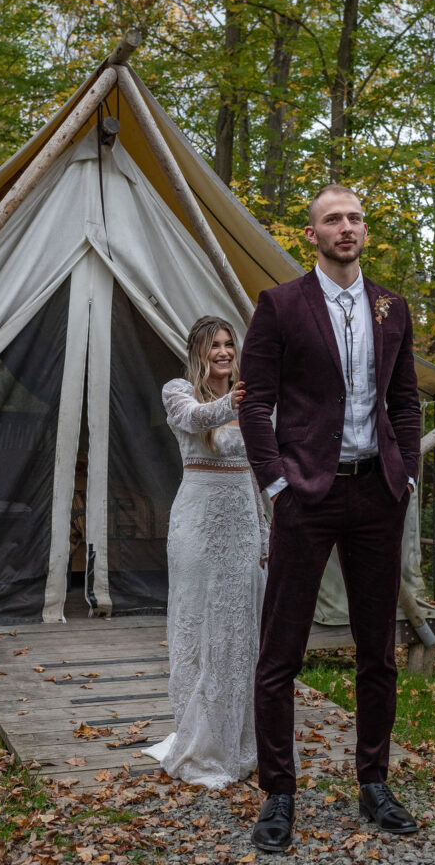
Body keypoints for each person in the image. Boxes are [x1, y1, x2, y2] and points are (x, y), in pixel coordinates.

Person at [239, 184, 421, 851]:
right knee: (279, 653)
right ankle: (279, 796)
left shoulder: (392, 307)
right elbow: (254, 402)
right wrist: (276, 485)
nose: (347, 227)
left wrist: (406, 473)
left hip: (377, 493)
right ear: (310, 235)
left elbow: (404, 400)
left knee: (377, 651)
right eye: (333, 219)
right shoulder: (280, 306)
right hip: (305, 495)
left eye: (355, 218)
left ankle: (374, 783)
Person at [145, 315, 268, 789]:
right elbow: (195, 419)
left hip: (241, 519)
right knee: (198, 626)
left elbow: (257, 472)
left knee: (238, 633)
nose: (223, 352)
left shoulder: (250, 399)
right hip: (197, 521)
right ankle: (196, 738)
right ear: (199, 351)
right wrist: (232, 401)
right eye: (214, 345)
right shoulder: (178, 390)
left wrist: (263, 536)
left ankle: (236, 743)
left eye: (229, 344)